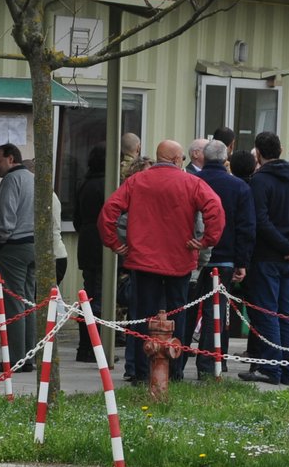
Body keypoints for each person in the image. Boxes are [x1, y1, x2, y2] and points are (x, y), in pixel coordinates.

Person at [98, 139, 225, 384]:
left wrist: (114, 242)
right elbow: (215, 209)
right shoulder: (191, 182)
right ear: (178, 160)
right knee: (178, 314)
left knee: (141, 316)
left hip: (143, 261)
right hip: (179, 260)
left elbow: (109, 211)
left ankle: (139, 371)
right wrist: (206, 241)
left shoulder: (136, 181)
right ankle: (174, 369)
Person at [241, 132, 289, 386]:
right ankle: (287, 369)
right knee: (287, 312)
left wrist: (287, 247)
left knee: (267, 313)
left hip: (266, 257)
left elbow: (259, 221)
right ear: (281, 150)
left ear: (257, 153)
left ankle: (272, 368)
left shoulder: (259, 182)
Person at [193, 138, 255, 379]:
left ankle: (175, 365)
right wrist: (242, 262)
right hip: (225, 258)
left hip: (192, 255)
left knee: (186, 309)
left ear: (204, 158)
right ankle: (209, 365)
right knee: (214, 312)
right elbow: (246, 227)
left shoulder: (193, 181)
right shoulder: (239, 187)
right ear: (225, 159)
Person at [0, 143, 37, 371]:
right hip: (33, 245)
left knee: (13, 303)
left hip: (12, 247)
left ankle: (16, 358)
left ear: (11, 159)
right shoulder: (32, 178)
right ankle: (30, 355)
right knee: (28, 301)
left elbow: (6, 217)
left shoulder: (10, 181)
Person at [73, 145, 107, 361]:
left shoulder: (84, 184)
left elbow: (76, 218)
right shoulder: (108, 185)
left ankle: (84, 346)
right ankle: (96, 347)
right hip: (103, 242)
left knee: (89, 294)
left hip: (86, 241)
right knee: (100, 297)